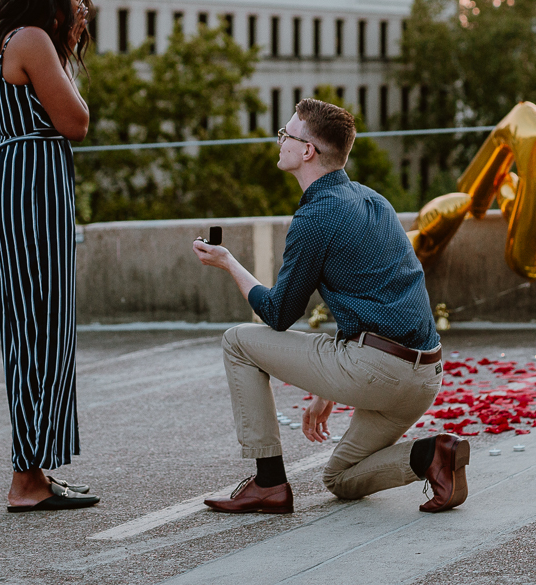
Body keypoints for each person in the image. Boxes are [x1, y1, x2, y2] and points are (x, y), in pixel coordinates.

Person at [191, 98, 468, 515]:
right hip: (423, 376)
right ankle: (432, 454)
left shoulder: (316, 216)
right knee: (340, 479)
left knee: (237, 342)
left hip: (377, 370)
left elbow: (280, 314)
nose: (280, 140)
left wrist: (228, 263)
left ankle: (268, 483)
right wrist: (330, 386)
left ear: (307, 151)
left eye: (286, 134)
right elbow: (373, 295)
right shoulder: (374, 201)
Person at [0, 0, 98, 513]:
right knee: (34, 325)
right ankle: (25, 479)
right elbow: (75, 121)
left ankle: (36, 470)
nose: (84, 6)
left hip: (36, 184)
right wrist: (67, 43)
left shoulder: (28, 41)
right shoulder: (30, 39)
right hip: (30, 186)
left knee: (46, 324)